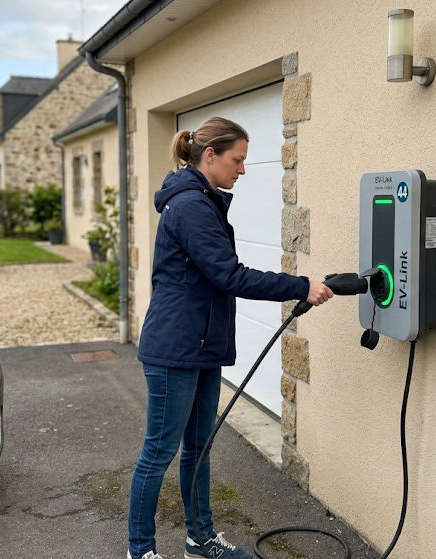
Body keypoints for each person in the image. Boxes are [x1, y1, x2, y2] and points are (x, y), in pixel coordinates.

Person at [128, 117, 334, 559]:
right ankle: (140, 551)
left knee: (198, 448)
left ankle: (200, 539)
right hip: (174, 349)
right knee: (159, 452)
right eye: (237, 160)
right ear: (210, 155)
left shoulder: (203, 201)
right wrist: (300, 286)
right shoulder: (190, 206)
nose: (241, 169)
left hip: (201, 346)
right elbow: (229, 275)